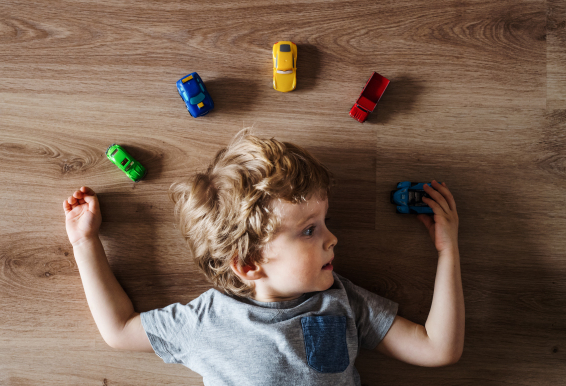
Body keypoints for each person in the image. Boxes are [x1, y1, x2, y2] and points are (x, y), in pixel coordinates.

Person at [63, 129, 464, 385]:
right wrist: (85, 243)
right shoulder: (204, 322)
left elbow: (438, 348)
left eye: (324, 223)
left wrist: (448, 250)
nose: (333, 238)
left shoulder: (344, 301)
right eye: (310, 229)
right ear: (249, 264)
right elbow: (119, 330)